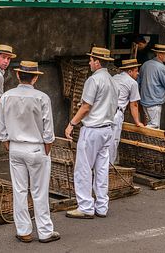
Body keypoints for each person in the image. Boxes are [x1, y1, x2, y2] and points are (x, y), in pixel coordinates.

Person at [0, 61, 60, 243]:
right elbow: (48, 128)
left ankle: (23, 230)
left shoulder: (7, 96)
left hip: (16, 147)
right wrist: (47, 146)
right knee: (39, 191)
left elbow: (1, 126)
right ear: (36, 77)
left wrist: (7, 142)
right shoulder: (42, 97)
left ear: (17, 75)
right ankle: (45, 231)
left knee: (19, 190)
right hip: (37, 147)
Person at [64, 47, 117, 219]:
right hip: (107, 128)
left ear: (97, 61)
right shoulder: (112, 80)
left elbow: (86, 106)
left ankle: (86, 206)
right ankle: (102, 206)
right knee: (102, 168)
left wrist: (72, 123)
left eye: (91, 59)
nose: (89, 62)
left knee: (83, 168)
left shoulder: (93, 80)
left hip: (93, 129)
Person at [110, 58, 144, 164]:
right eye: (135, 71)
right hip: (116, 112)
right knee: (113, 141)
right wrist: (137, 122)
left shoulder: (114, 77)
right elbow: (134, 104)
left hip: (105, 111)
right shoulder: (132, 83)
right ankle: (109, 167)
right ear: (129, 71)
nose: (137, 73)